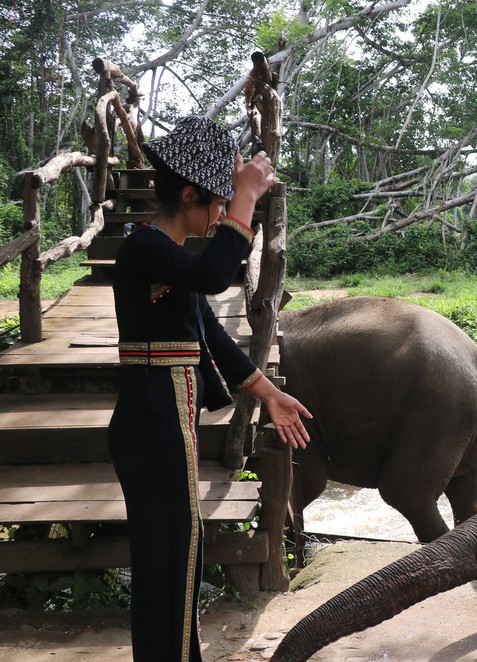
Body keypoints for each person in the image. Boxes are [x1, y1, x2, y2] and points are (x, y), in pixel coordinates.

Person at [108, 115, 312, 662]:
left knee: (179, 555)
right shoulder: (143, 249)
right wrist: (247, 194)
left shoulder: (173, 261)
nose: (222, 216)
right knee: (169, 557)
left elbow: (212, 336)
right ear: (192, 194)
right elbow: (218, 274)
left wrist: (268, 392)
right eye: (218, 204)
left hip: (163, 421)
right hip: (151, 422)